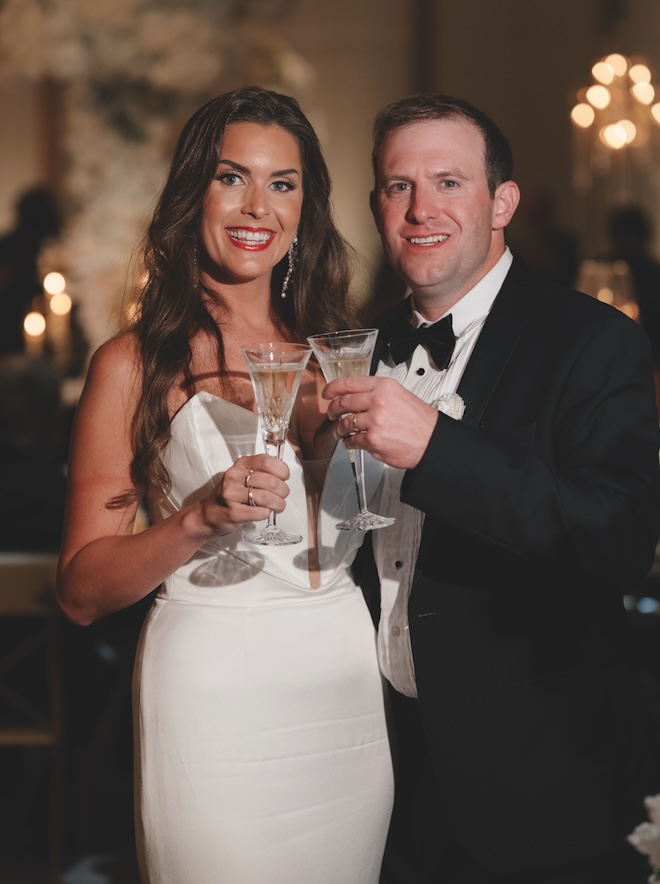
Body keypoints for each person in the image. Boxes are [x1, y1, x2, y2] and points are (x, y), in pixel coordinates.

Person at [56, 86, 393, 884]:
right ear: (190, 194)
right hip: (215, 691)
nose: (257, 207)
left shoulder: (341, 354)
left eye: (283, 184)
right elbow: (80, 592)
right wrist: (198, 520)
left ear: (307, 207)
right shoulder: (134, 367)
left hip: (344, 684)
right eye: (230, 177)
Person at [324, 93, 660, 884]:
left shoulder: (593, 341)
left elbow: (614, 540)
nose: (419, 209)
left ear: (501, 201)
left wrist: (437, 446)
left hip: (544, 789)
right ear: (376, 204)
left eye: (448, 182)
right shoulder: (358, 346)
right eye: (398, 186)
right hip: (386, 784)